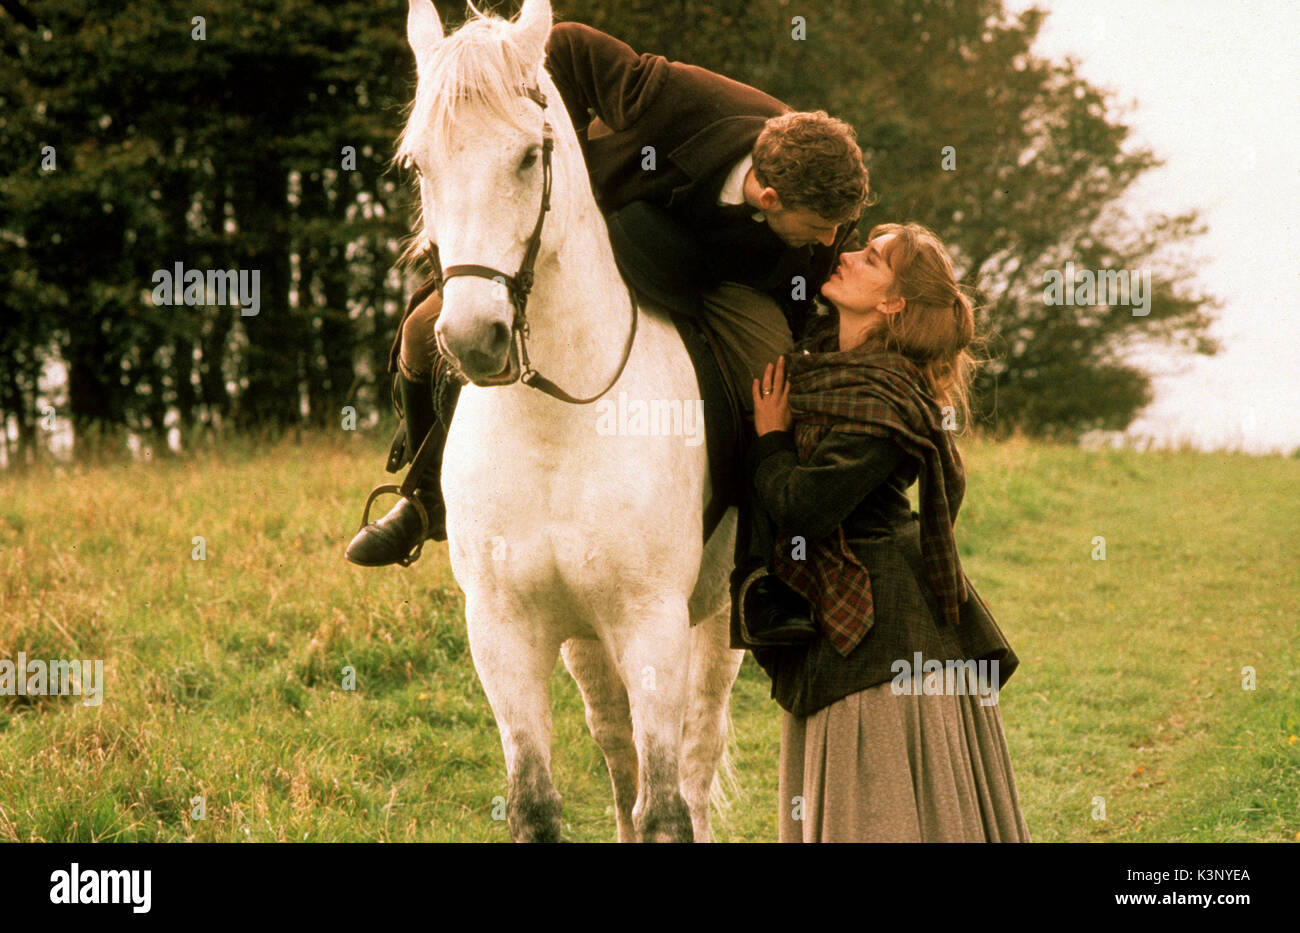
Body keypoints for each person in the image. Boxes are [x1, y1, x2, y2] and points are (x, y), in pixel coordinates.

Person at [345, 20, 869, 570]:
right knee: (420, 334)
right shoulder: (682, 100)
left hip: (729, 282)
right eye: (822, 226)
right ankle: (423, 498)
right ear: (769, 194)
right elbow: (564, 46)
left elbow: (840, 290)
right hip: (614, 232)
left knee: (772, 382)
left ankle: (763, 566)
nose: (832, 240)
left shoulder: (830, 203)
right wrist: (558, 159)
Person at [744, 222, 1030, 842]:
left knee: (882, 807)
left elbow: (807, 507)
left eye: (870, 259)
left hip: (878, 627)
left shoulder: (886, 396)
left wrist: (771, 438)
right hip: (861, 612)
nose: (845, 257)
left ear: (892, 302)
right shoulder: (832, 364)